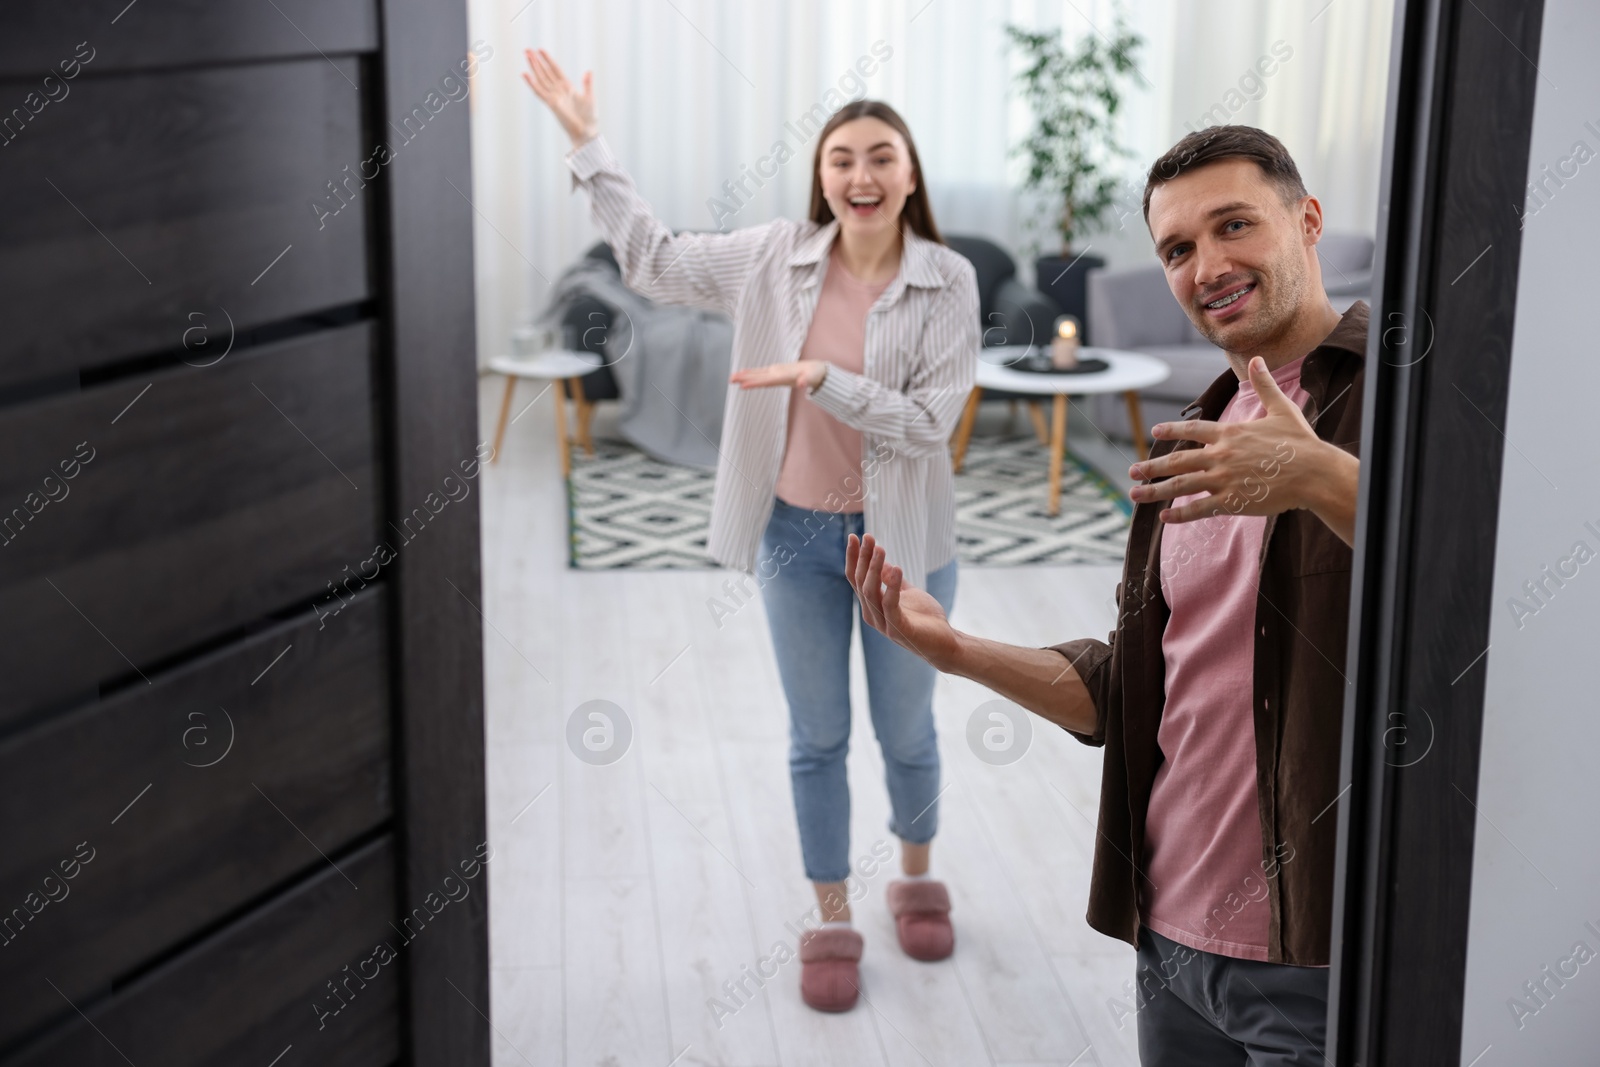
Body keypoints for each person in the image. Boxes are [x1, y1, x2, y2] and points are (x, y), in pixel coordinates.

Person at [845, 125, 1366, 1065]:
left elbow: (1470, 590)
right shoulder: (1194, 433)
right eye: (1177, 247)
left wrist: (1321, 476)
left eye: (1234, 224)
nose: (1207, 264)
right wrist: (953, 648)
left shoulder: (1408, 394)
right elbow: (1137, 684)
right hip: (1168, 936)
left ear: (1308, 220)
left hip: (1319, 959)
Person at [523, 50, 979, 1014]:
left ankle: (916, 869)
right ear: (821, 175)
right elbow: (649, 260)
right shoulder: (774, 256)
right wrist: (584, 138)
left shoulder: (949, 279)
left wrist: (826, 381)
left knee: (907, 731)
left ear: (911, 173)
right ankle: (831, 911)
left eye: (882, 157)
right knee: (816, 737)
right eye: (842, 158)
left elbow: (932, 422)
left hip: (905, 540)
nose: (861, 175)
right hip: (796, 539)